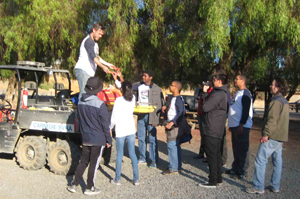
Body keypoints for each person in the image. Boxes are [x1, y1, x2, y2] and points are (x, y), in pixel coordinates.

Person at [67, 77, 112, 195]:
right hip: (97, 139)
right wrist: (109, 140)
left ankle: (73, 184)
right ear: (98, 90)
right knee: (93, 163)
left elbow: (80, 119)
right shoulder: (100, 104)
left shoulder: (80, 102)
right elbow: (105, 125)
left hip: (85, 137)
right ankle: (89, 187)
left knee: (83, 161)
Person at [246, 77, 289, 194]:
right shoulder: (285, 102)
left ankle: (258, 186)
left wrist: (266, 134)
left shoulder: (275, 101)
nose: (270, 86)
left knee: (260, 160)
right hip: (280, 137)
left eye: (273, 84)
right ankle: (275, 186)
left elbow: (272, 119)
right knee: (277, 162)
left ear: (278, 87)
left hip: (271, 136)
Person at [198, 73, 228, 188]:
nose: (212, 82)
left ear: (219, 81)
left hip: (211, 128)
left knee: (211, 155)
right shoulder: (222, 93)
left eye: (214, 80)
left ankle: (212, 181)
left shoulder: (218, 94)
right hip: (216, 128)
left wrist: (204, 93)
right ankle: (218, 178)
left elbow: (205, 107)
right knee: (216, 155)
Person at [75, 23, 116, 100]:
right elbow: (93, 57)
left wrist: (108, 64)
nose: (100, 36)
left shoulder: (95, 43)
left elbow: (97, 57)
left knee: (88, 95)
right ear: (94, 30)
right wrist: (103, 67)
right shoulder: (88, 41)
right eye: (99, 34)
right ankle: (81, 111)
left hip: (88, 72)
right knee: (84, 95)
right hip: (83, 70)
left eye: (101, 35)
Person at [110, 80, 139, 185]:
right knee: (133, 154)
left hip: (121, 130)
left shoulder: (118, 101)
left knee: (119, 154)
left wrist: (110, 127)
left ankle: (117, 179)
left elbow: (113, 117)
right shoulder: (133, 99)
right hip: (131, 129)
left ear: (121, 89)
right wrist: (117, 80)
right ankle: (136, 179)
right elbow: (124, 88)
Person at [133, 70, 164, 168]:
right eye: (143, 76)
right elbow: (126, 87)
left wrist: (157, 119)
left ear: (150, 77)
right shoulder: (138, 86)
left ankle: (153, 160)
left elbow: (160, 104)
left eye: (145, 76)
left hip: (152, 116)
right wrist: (119, 78)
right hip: (141, 115)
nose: (143, 77)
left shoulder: (157, 89)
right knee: (141, 138)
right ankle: (142, 158)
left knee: (152, 139)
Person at [226, 75, 253, 179]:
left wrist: (241, 124)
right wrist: (231, 124)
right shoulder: (238, 92)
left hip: (242, 126)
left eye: (236, 79)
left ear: (242, 80)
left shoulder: (246, 93)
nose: (235, 80)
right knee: (236, 148)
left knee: (242, 149)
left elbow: (246, 110)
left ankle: (242, 171)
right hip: (235, 126)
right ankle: (235, 168)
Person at [162, 81, 186, 174]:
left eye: (171, 85)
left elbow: (180, 113)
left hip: (174, 126)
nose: (169, 86)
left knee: (172, 146)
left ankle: (173, 168)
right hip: (173, 125)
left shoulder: (178, 99)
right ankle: (177, 166)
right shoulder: (174, 98)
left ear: (176, 87)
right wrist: (165, 107)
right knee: (175, 146)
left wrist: (172, 123)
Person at [194, 82, 213, 160]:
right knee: (203, 135)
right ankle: (201, 153)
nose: (204, 86)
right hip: (200, 115)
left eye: (206, 84)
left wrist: (205, 92)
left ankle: (209, 156)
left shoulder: (211, 92)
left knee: (207, 136)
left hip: (206, 116)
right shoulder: (204, 91)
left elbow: (206, 103)